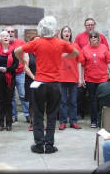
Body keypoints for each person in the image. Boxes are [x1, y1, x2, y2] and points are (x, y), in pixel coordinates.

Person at [14, 16, 79, 154]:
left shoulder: (37, 42)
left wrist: (23, 63)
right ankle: (49, 145)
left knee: (38, 114)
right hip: (55, 84)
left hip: (40, 83)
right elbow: (75, 52)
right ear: (54, 29)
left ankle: (39, 144)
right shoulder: (60, 43)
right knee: (52, 115)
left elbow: (17, 51)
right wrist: (64, 56)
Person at [75, 18, 110, 120]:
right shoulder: (79, 38)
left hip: (101, 75)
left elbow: (107, 55)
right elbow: (77, 54)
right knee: (85, 95)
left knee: (100, 98)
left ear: (94, 25)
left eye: (91, 24)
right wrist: (81, 77)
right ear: (85, 26)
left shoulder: (102, 38)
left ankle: (100, 118)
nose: (90, 26)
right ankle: (82, 114)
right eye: (88, 25)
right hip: (86, 73)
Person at [81, 30, 110, 128]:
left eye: (95, 37)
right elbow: (82, 65)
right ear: (89, 39)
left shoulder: (104, 48)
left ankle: (102, 121)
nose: (93, 38)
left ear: (99, 38)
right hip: (90, 79)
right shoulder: (85, 49)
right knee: (92, 100)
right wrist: (81, 78)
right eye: (91, 37)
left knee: (102, 100)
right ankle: (94, 121)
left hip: (103, 79)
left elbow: (109, 62)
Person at [0, 31, 18, 131]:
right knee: (0, 101)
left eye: (7, 36)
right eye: (3, 36)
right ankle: (0, 123)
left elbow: (16, 65)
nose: (6, 37)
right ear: (0, 39)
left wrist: (7, 69)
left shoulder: (14, 51)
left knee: (8, 102)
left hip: (10, 79)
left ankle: (9, 123)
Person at [58, 26, 83, 130]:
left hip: (73, 77)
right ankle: (63, 122)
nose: (67, 33)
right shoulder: (58, 46)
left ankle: (73, 121)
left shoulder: (75, 46)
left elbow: (79, 62)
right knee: (62, 101)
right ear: (62, 34)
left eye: (68, 31)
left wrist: (80, 78)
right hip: (61, 77)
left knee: (73, 101)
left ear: (71, 34)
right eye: (65, 31)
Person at [4, 27, 30, 123]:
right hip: (9, 74)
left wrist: (25, 66)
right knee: (11, 96)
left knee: (23, 94)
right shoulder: (3, 44)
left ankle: (28, 114)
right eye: (8, 32)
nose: (10, 33)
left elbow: (27, 54)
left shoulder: (21, 42)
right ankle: (13, 115)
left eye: (12, 32)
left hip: (20, 73)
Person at [23, 35, 39, 131]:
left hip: (42, 80)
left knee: (41, 102)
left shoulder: (43, 53)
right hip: (31, 80)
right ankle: (32, 123)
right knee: (32, 102)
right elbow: (25, 67)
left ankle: (40, 122)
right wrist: (34, 77)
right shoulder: (27, 53)